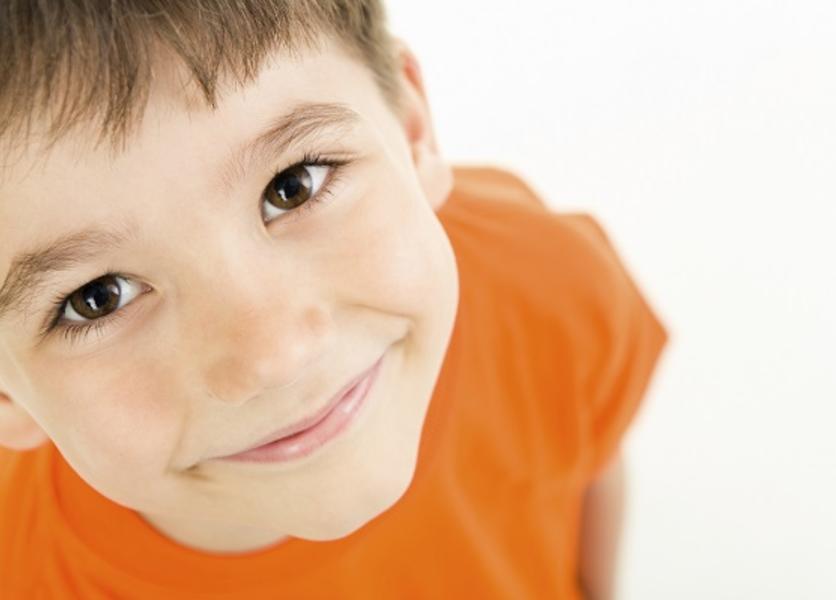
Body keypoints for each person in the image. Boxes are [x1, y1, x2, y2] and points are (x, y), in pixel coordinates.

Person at [0, 1, 669, 598]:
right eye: (97, 298)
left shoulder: (545, 286)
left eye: (292, 185)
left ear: (412, 133)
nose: (274, 356)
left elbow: (587, 458)